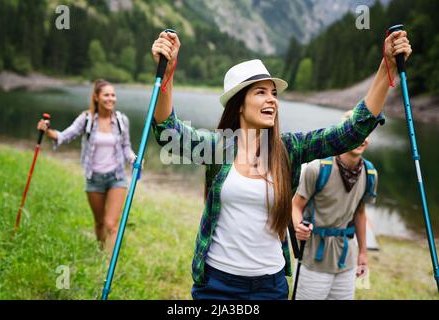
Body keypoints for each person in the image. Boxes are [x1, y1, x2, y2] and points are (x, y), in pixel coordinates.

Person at [150, 30, 411, 300]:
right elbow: (169, 133)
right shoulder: (218, 147)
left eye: (273, 93)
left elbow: (350, 132)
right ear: (239, 105)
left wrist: (386, 67)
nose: (272, 99)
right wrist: (167, 72)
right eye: (260, 92)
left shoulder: (289, 149)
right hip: (217, 282)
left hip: (270, 285)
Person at [37, 79, 136, 253]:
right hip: (94, 178)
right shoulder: (87, 119)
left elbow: (126, 147)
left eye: (113, 95)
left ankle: (108, 264)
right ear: (96, 97)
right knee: (99, 222)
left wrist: (134, 159)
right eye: (106, 95)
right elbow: (64, 136)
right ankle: (101, 249)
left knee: (111, 224)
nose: (111, 98)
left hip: (117, 177)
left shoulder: (121, 120)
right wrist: (47, 131)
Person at [292, 110, 377, 300]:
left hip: (346, 261)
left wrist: (363, 253)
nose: (361, 138)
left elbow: (360, 214)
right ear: (344, 135)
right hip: (314, 259)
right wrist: (298, 226)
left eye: (366, 133)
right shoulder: (318, 168)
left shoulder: (370, 173)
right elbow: (296, 205)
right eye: (356, 132)